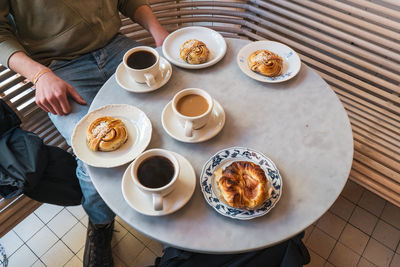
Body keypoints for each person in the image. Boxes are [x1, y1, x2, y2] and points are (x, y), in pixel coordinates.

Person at [0, 1, 169, 266]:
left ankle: (173, 224)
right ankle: (101, 225)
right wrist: (39, 75)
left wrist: (157, 30)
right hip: (58, 70)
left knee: (167, 122)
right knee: (93, 159)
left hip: (117, 47)